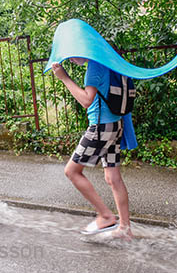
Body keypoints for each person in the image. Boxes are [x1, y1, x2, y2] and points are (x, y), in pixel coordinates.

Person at [51, 58, 133, 240]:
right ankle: (125, 229)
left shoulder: (94, 67)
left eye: (73, 54)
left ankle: (106, 216)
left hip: (101, 127)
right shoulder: (108, 62)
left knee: (72, 172)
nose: (71, 59)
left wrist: (64, 77)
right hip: (115, 125)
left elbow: (86, 100)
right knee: (113, 177)